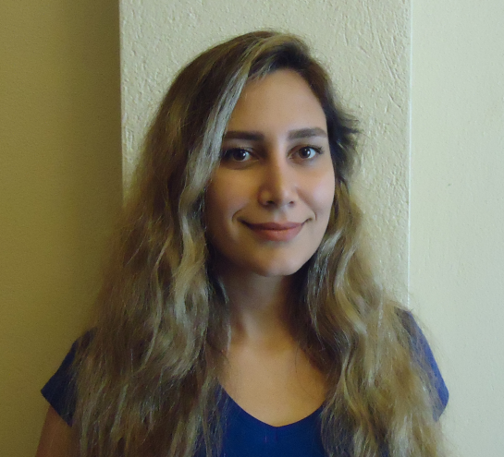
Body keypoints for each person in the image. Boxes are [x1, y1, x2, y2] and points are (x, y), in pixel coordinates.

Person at [36, 31, 448, 457]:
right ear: (186, 178)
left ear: (336, 175)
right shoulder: (108, 369)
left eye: (306, 151)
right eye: (240, 154)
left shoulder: (396, 352)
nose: (280, 191)